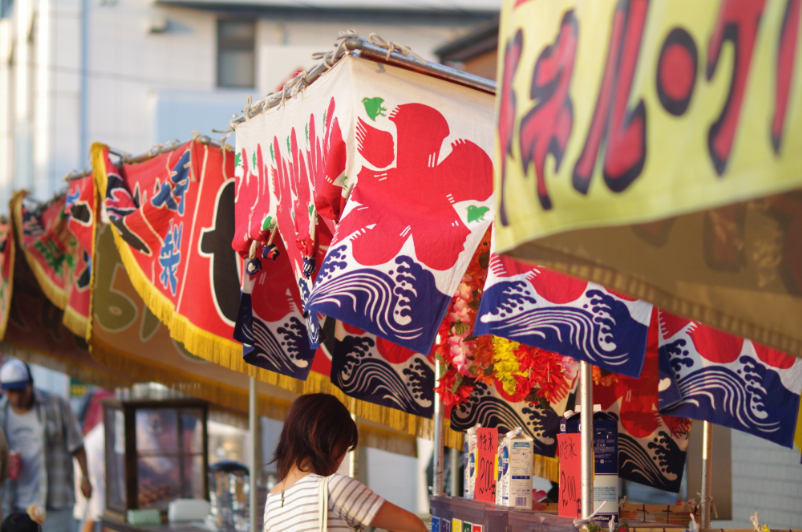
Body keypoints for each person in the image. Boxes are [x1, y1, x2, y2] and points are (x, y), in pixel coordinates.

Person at [264, 393, 426, 532]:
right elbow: (415, 527)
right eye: (345, 446)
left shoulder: (273, 500)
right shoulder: (334, 487)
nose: (341, 458)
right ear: (332, 442)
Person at [0, 361, 90, 532]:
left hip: (54, 500)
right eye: (11, 391)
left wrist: (85, 478)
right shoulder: (1, 412)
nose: (16, 396)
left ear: (31, 385)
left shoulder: (56, 404)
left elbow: (77, 444)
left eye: (21, 390)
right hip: (13, 501)